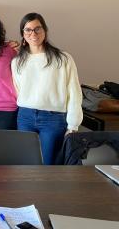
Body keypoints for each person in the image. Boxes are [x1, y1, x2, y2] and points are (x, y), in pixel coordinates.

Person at [12, 13, 83, 165]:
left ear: (45, 31)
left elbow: (74, 93)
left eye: (38, 29)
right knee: (25, 163)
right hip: (25, 116)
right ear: (23, 34)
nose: (33, 33)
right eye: (28, 30)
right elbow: (19, 90)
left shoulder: (63, 59)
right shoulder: (17, 62)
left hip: (53, 119)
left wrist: (73, 125)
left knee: (48, 164)